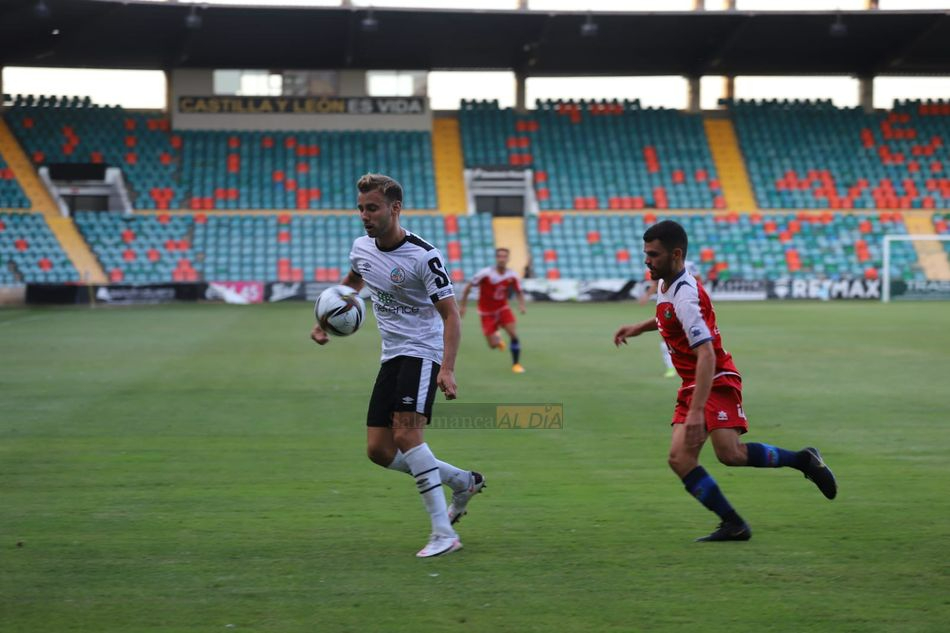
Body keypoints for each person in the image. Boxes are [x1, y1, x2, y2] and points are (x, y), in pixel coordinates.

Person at [613, 220, 836, 542]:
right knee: (681, 459)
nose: (647, 260)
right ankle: (734, 524)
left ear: (676, 254)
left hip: (714, 378)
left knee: (729, 454)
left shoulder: (687, 295)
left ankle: (802, 460)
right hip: (694, 382)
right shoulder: (669, 285)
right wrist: (638, 327)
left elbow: (706, 354)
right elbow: (667, 314)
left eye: (653, 254)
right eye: (646, 253)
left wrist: (695, 412)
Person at [310, 174, 485, 558]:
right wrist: (326, 320)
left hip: (423, 351)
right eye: (360, 208)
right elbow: (354, 280)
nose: (364, 216)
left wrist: (448, 368)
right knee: (379, 450)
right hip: (391, 354)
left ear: (395, 208)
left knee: (407, 436)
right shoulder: (361, 247)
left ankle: (443, 533)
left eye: (371, 208)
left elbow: (451, 315)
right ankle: (462, 481)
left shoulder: (424, 256)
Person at [459, 247, 527, 374]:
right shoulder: (485, 273)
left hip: (503, 309)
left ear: (508, 259)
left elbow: (519, 291)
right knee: (492, 345)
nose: (502, 259)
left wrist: (522, 305)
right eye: (499, 256)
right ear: (496, 258)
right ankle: (497, 338)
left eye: (504, 256)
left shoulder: (512, 275)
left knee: (513, 335)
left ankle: (516, 364)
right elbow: (468, 287)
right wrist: (463, 306)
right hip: (486, 313)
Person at [638, 259, 702, 379]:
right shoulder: (664, 264)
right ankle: (671, 367)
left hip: (687, 304)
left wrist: (699, 297)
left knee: (694, 335)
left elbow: (698, 280)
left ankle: (699, 363)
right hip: (668, 303)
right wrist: (647, 296)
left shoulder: (689, 265)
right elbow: (656, 283)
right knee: (666, 335)